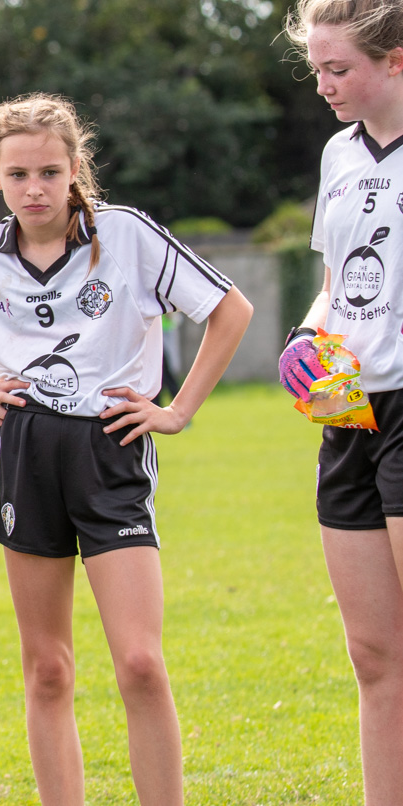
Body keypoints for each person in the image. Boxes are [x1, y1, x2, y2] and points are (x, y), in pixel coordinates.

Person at [0, 93, 252, 806]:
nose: (33, 189)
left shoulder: (126, 236)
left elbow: (229, 309)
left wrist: (177, 409)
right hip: (25, 454)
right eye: (16, 175)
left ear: (75, 169)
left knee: (138, 662)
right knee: (47, 668)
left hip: (109, 454)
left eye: (48, 172)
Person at [281, 3, 403, 802]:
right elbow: (336, 287)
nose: (323, 86)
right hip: (347, 410)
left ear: (395, 59)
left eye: (338, 69)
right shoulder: (336, 154)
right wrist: (305, 335)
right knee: (372, 655)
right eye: (316, 70)